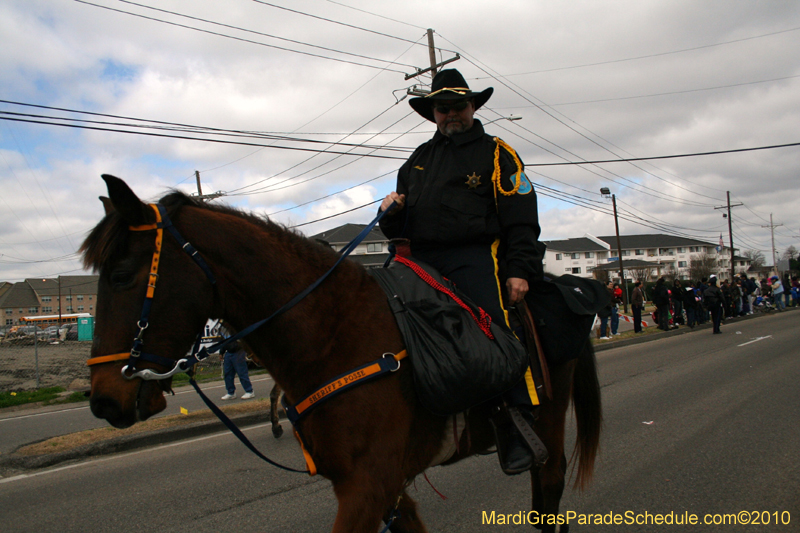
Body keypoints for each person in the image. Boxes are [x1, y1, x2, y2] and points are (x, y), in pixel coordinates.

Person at [379, 69, 545, 475]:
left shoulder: (497, 152)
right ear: (432, 112)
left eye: (458, 106)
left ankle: (514, 419)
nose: (451, 114)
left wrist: (519, 269)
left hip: (476, 254)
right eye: (443, 108)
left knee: (493, 322)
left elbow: (521, 218)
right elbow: (400, 228)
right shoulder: (417, 160)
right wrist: (390, 215)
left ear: (472, 107)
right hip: (422, 259)